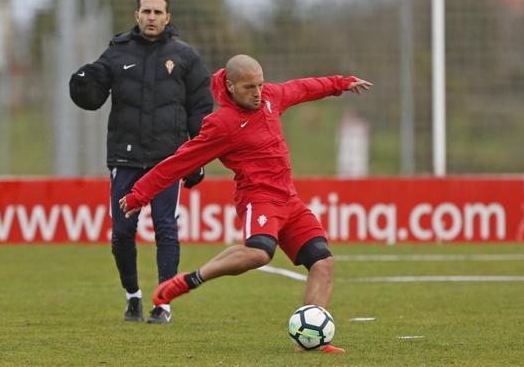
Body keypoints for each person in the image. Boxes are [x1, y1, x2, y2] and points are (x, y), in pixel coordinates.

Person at [120, 54, 372, 352]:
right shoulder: (221, 124)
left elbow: (302, 88)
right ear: (230, 86)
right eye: (249, 87)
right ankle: (190, 280)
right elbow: (179, 161)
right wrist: (140, 194)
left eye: (260, 84)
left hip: (289, 200)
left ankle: (310, 343)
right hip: (258, 199)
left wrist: (339, 84)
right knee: (259, 253)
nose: (257, 92)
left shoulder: (270, 97)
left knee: (322, 262)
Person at [69, 0, 213, 324]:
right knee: (121, 233)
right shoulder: (117, 52)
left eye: (157, 12)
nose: (151, 17)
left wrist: (198, 156)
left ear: (168, 17)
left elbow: (201, 110)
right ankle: (132, 296)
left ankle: (163, 304)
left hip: (168, 160)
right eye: (145, 11)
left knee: (166, 229)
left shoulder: (185, 57)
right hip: (126, 159)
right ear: (136, 16)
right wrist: (80, 83)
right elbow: (93, 92)